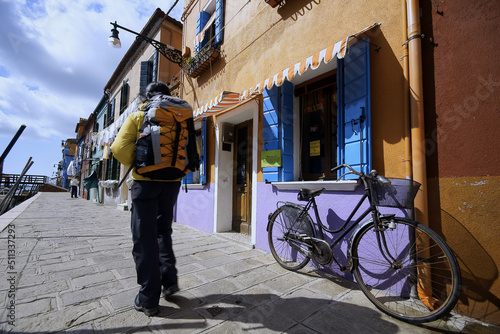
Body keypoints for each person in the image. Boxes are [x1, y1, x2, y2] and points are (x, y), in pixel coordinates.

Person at [111, 82, 183, 317]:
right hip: (172, 183)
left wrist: (141, 163)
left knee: (144, 238)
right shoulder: (181, 116)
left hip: (145, 184)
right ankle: (169, 281)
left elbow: (118, 149)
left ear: (147, 96)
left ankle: (148, 298)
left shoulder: (139, 115)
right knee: (163, 231)